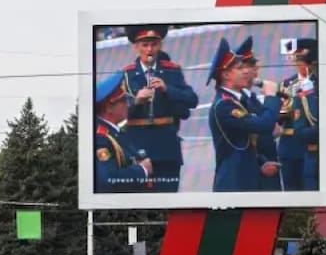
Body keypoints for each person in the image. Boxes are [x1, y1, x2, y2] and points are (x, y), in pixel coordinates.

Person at [120, 25, 199, 191]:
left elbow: (192, 100)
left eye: (154, 44)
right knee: (139, 201)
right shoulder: (126, 74)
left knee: (168, 197)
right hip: (137, 147)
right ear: (136, 47)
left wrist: (167, 88)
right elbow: (116, 113)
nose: (150, 49)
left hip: (166, 147)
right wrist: (136, 101)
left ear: (160, 45)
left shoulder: (172, 71)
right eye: (145, 45)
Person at [208, 37, 284, 192]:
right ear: (226, 75)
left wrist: (261, 164)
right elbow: (263, 126)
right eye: (240, 68)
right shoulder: (224, 105)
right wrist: (271, 96)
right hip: (234, 182)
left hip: (246, 178)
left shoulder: (236, 101)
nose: (247, 71)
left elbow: (245, 144)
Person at [94, 72, 154, 192]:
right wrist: (142, 170)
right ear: (109, 108)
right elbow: (107, 179)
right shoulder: (101, 139)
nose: (128, 104)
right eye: (123, 100)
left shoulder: (114, 132)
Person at [278, 37, 320, 191]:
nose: (299, 64)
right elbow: (279, 117)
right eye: (297, 59)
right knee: (292, 191)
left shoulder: (319, 83)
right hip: (290, 145)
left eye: (303, 60)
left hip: (312, 145)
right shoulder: (287, 84)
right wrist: (283, 113)